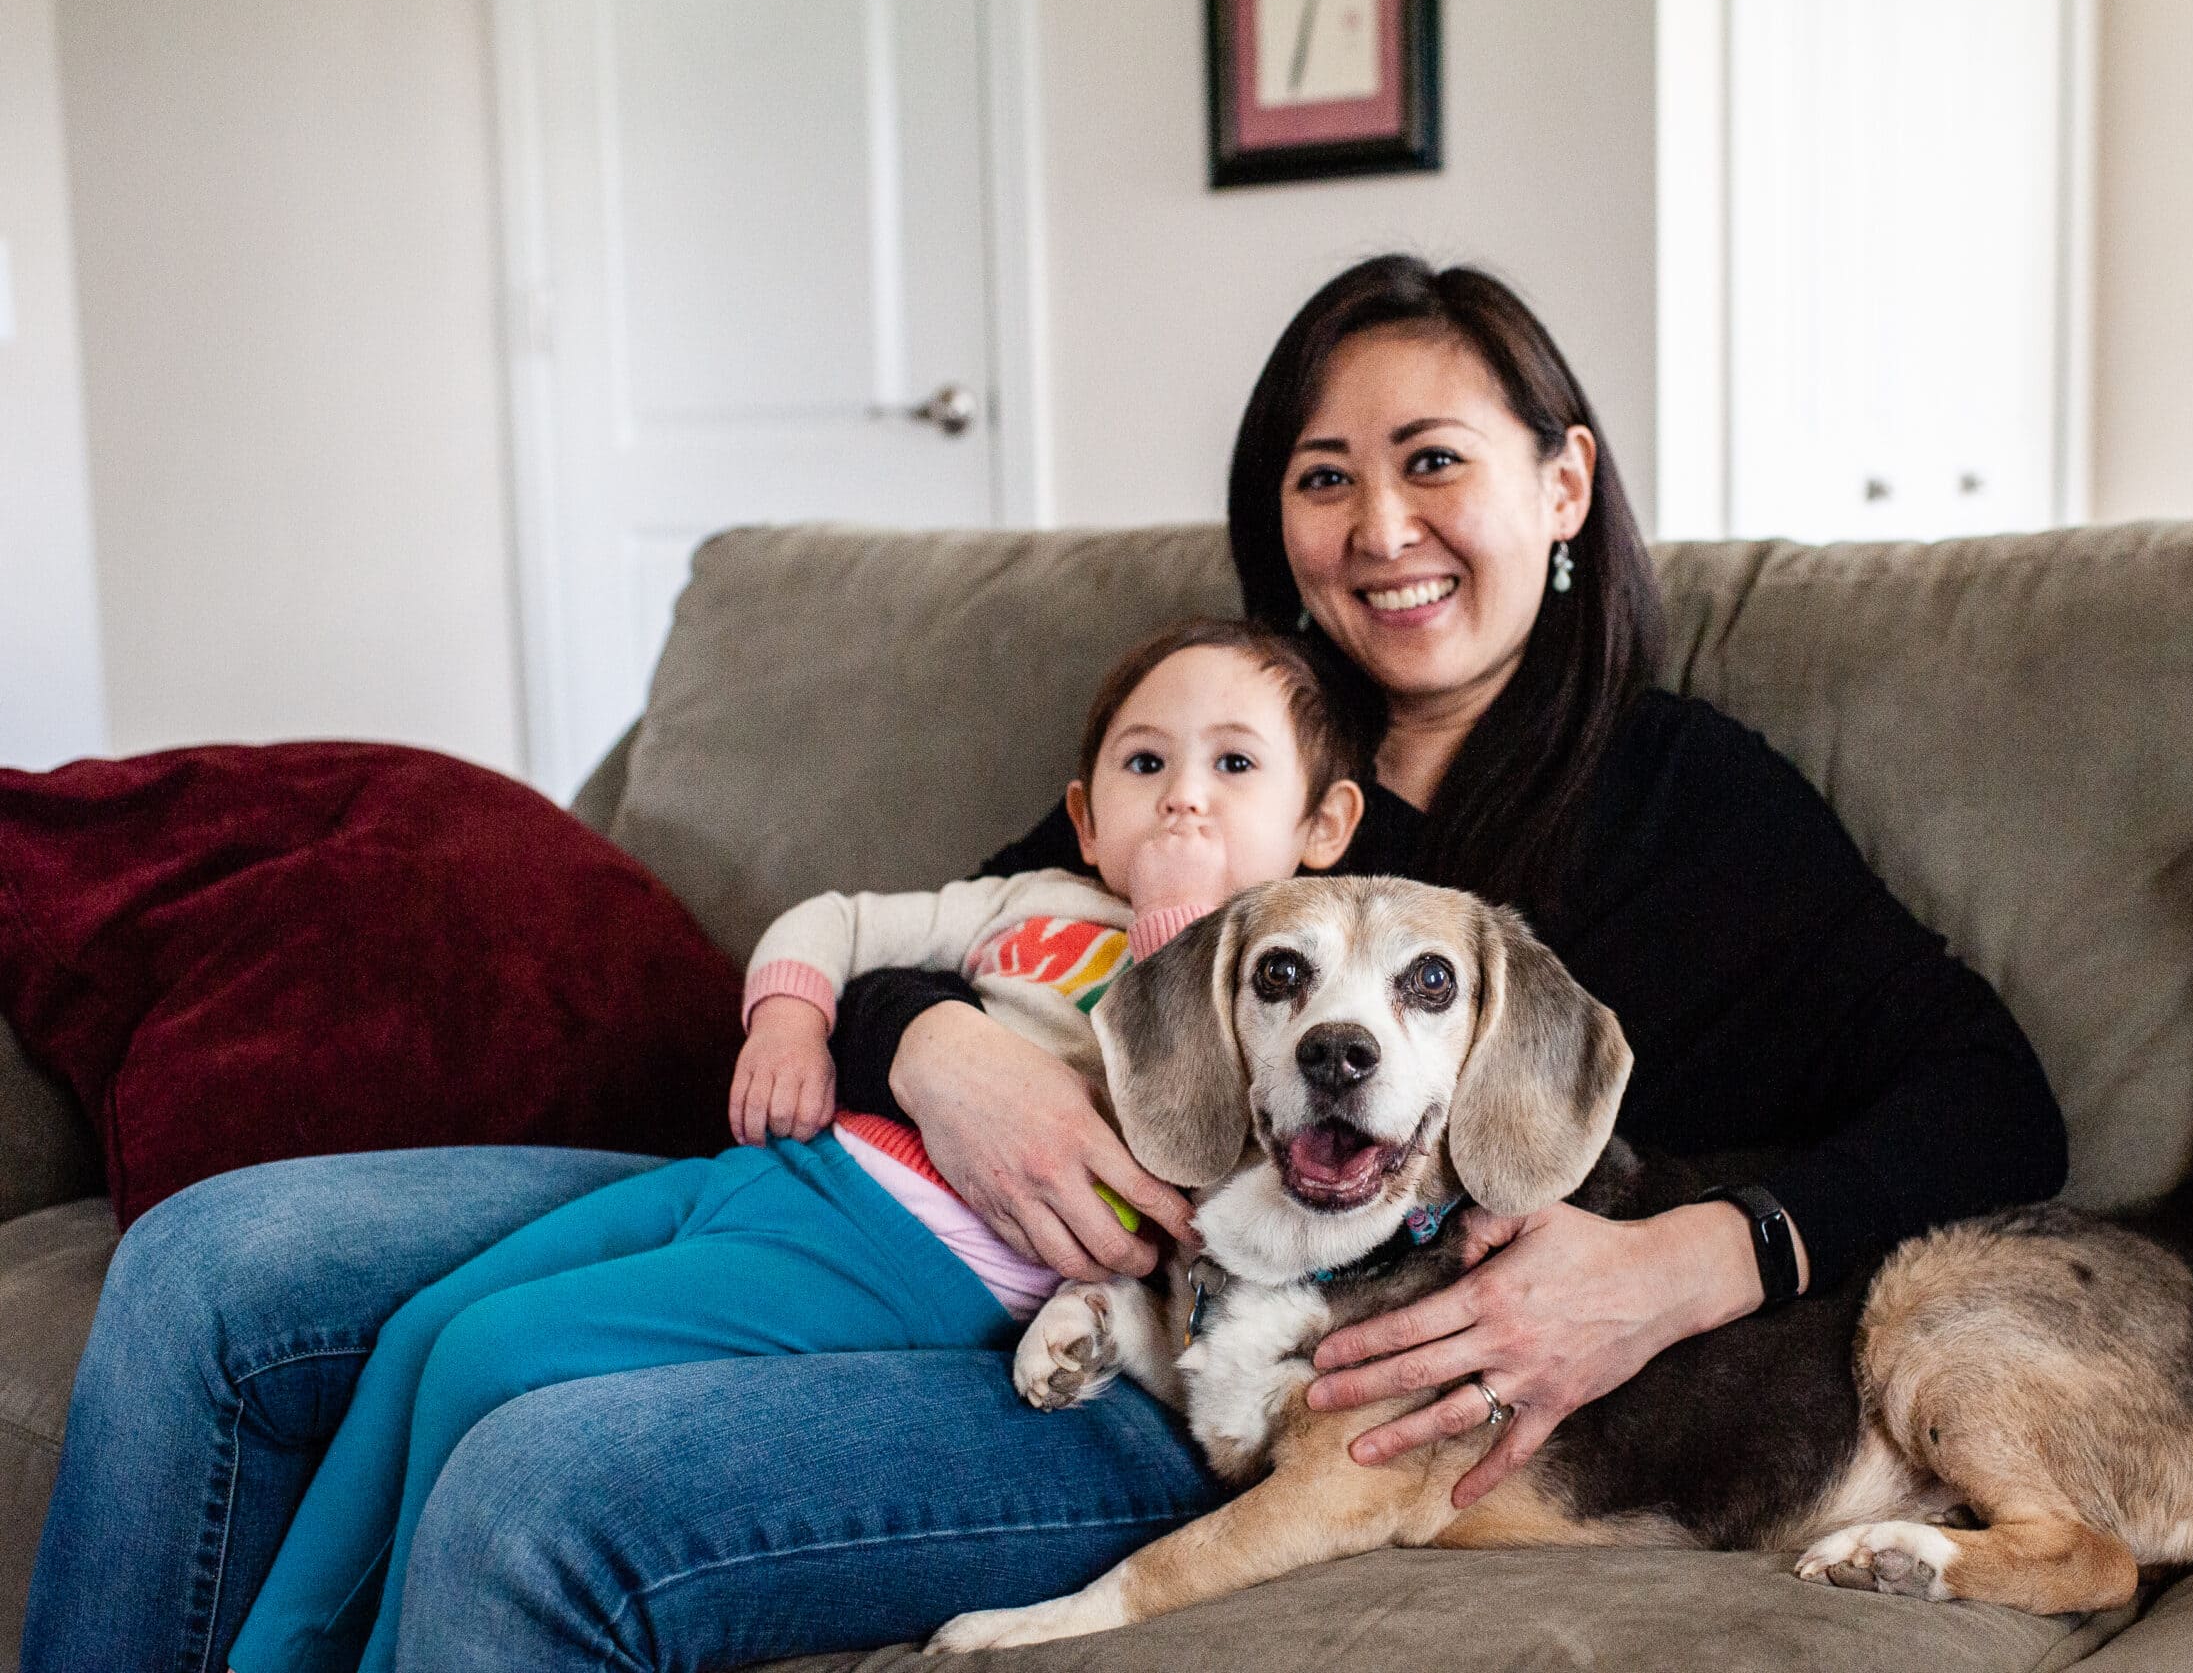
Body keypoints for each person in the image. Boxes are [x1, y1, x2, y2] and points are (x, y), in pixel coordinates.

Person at [24, 255, 2065, 1673]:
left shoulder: (1686, 808)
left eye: (1434, 456)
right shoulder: (1229, 744)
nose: (1380, 526)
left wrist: (1692, 1259)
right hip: (890, 1195)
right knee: (210, 1264)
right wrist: (937, 1051)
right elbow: (967, 928)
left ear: (1561, 483)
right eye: (1324, 476)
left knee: (539, 1475)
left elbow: (1988, 1095)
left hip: (1180, 1375)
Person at [223, 621, 1364, 1673]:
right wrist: (789, 1019)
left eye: (1234, 765)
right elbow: (838, 921)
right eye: (1145, 763)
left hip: (913, 1259)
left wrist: (1178, 924)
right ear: (1085, 815)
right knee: (423, 1330)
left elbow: (1201, 1134)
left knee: (492, 1354)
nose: (1183, 799)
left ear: (1323, 829)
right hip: (781, 1170)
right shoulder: (1028, 897)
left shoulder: (1286, 988)